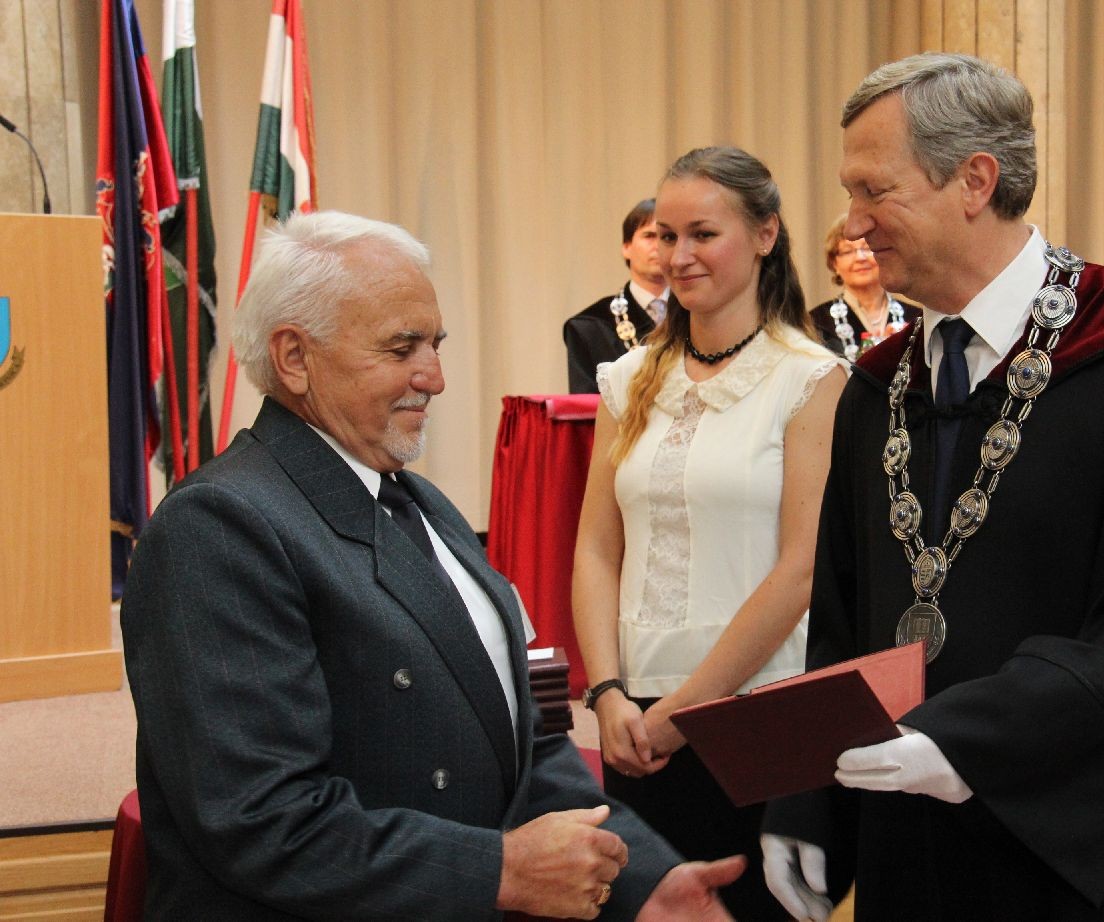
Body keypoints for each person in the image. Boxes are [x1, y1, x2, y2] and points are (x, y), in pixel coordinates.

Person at [761, 53, 1104, 921]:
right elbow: (847, 618)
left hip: (1101, 843)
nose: (853, 224)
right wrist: (811, 799)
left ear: (975, 180)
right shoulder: (877, 388)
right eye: (850, 194)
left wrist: (968, 742)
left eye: (874, 191)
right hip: (914, 843)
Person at [120, 210, 744, 921]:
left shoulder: (424, 505)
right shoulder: (218, 527)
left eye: (436, 344)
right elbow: (261, 819)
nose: (436, 378)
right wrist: (499, 870)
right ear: (294, 357)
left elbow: (530, 736)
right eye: (402, 347)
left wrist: (640, 878)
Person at [572, 146, 847, 920]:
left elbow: (801, 570)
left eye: (703, 234)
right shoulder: (628, 378)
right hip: (635, 721)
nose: (678, 256)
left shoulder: (808, 378)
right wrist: (608, 693)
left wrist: (685, 711)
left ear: (765, 235)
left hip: (759, 712)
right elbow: (596, 548)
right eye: (666, 235)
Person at [564, 199, 670, 393]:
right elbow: (585, 405)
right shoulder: (590, 327)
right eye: (649, 236)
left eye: (668, 237)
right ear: (626, 247)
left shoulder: (700, 315)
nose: (659, 245)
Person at [808, 213, 920, 362]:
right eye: (848, 251)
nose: (860, 258)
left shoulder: (915, 318)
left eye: (867, 248)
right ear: (834, 264)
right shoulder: (815, 322)